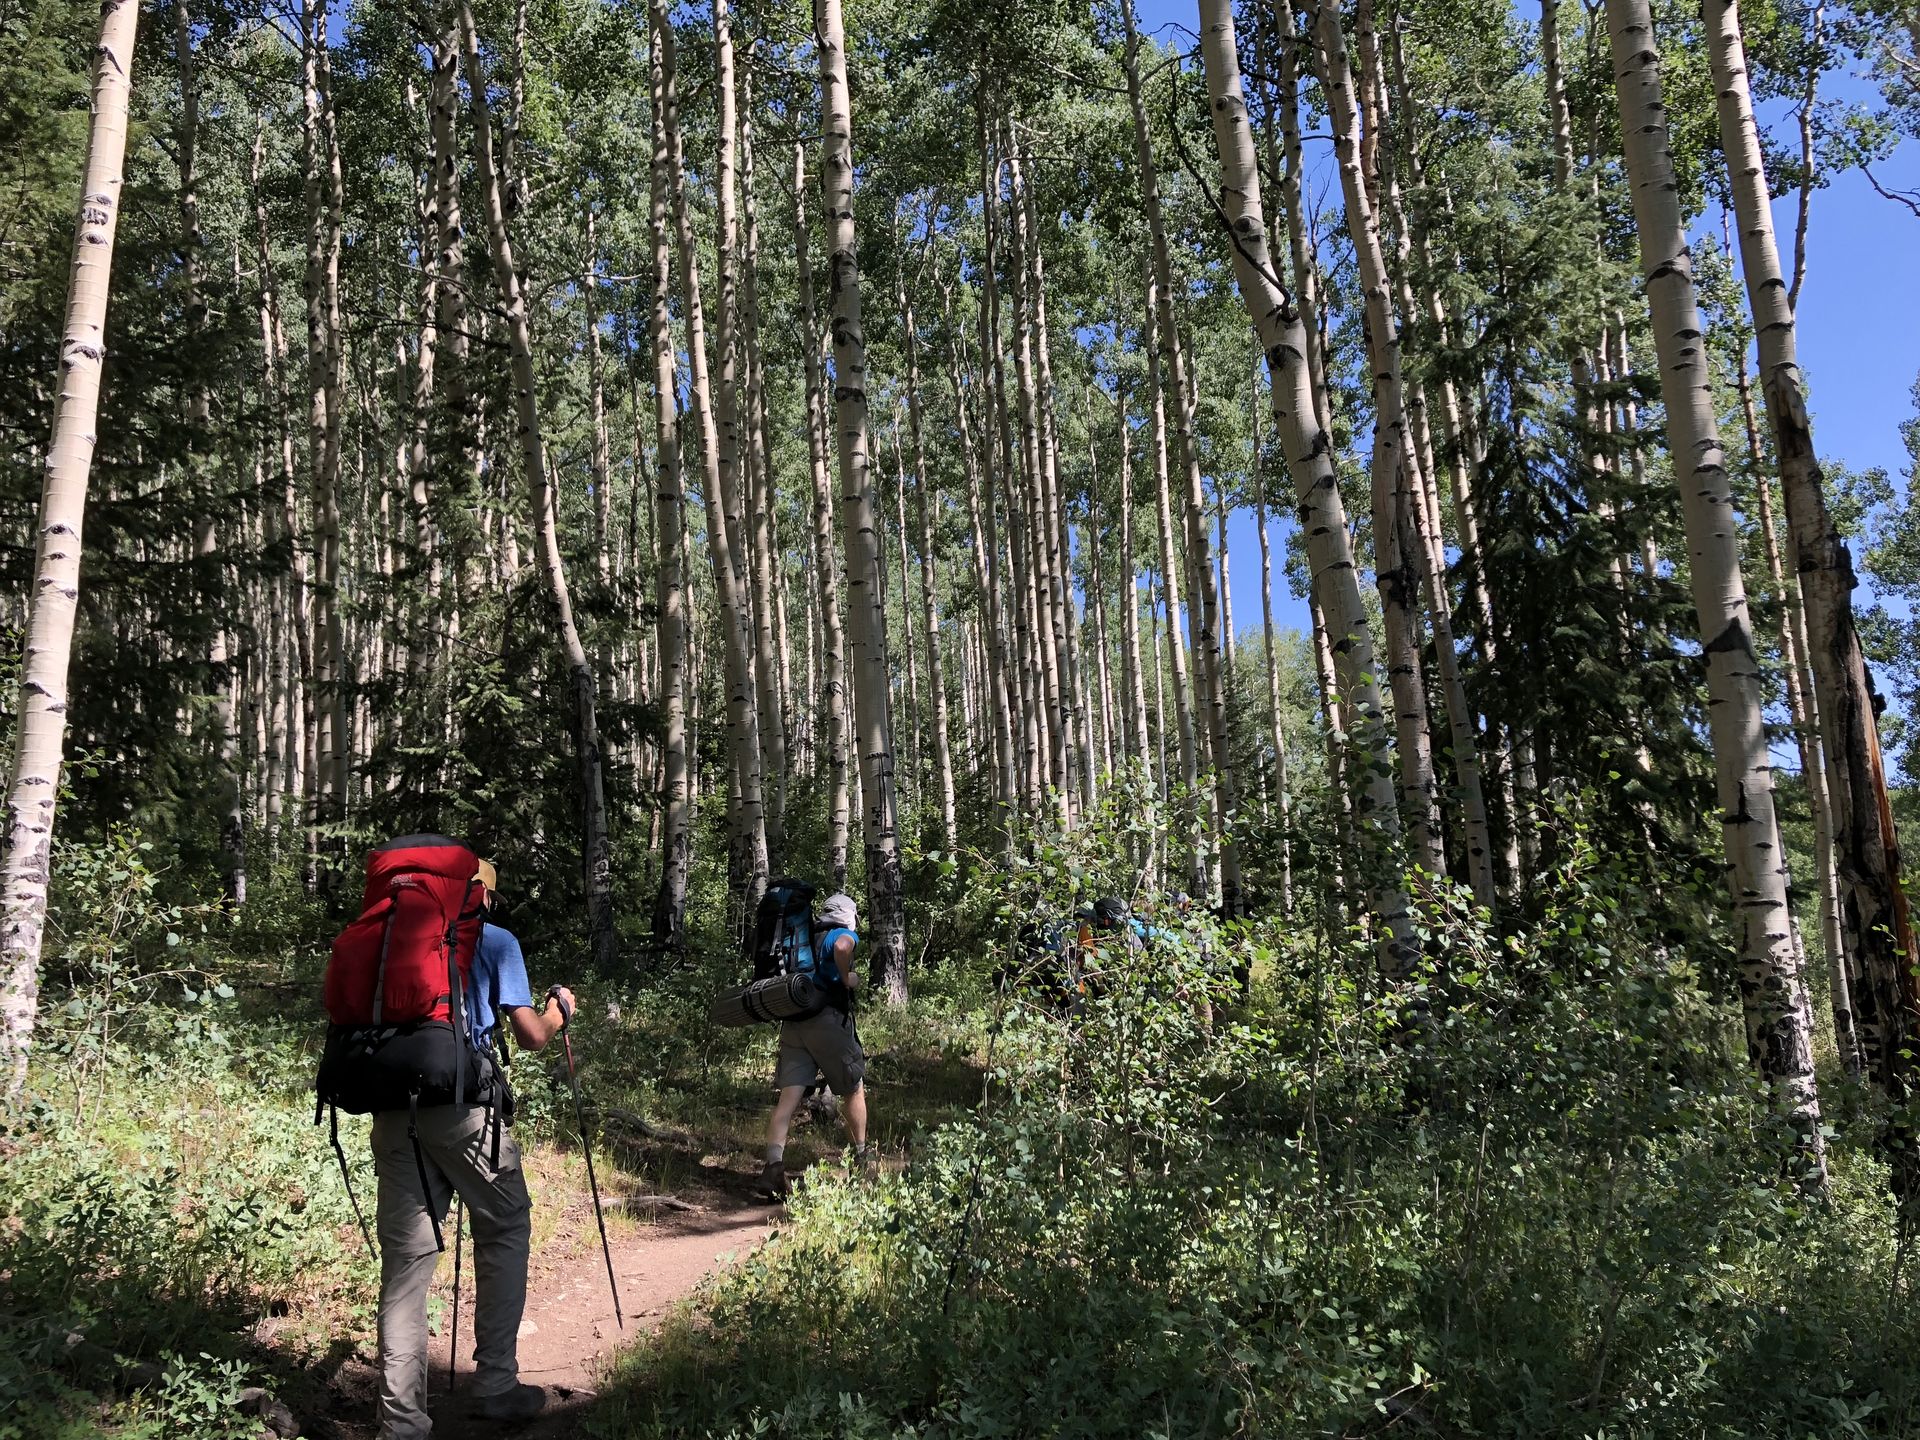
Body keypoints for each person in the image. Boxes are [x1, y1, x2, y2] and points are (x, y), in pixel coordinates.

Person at [369, 857, 577, 1436]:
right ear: (481, 895)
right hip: (463, 1111)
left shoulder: (388, 941)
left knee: (408, 1263)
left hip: (392, 1107)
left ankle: (402, 1422)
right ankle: (495, 1384)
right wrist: (559, 1011)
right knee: (505, 1227)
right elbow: (531, 1036)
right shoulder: (496, 940)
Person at [761, 891, 872, 1199]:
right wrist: (846, 976)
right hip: (826, 1020)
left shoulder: (803, 934)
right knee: (853, 1087)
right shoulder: (840, 932)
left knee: (788, 1098)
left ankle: (772, 1166)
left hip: (794, 1022)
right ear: (848, 915)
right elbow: (842, 946)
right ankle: (861, 1159)